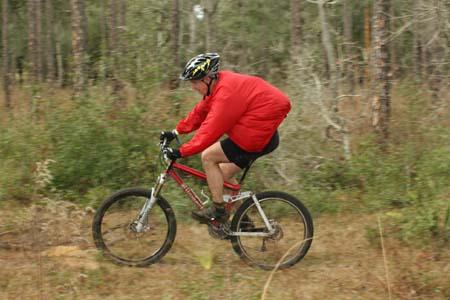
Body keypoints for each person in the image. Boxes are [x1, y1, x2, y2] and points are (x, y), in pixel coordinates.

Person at [161, 53, 291, 224]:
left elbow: (210, 130)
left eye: (194, 82)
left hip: (256, 138)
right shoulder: (218, 85)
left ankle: (219, 211)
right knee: (221, 175)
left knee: (208, 157)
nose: (193, 87)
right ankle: (244, 224)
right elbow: (201, 110)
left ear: (207, 78)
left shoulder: (226, 94)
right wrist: (176, 131)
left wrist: (181, 151)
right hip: (261, 134)